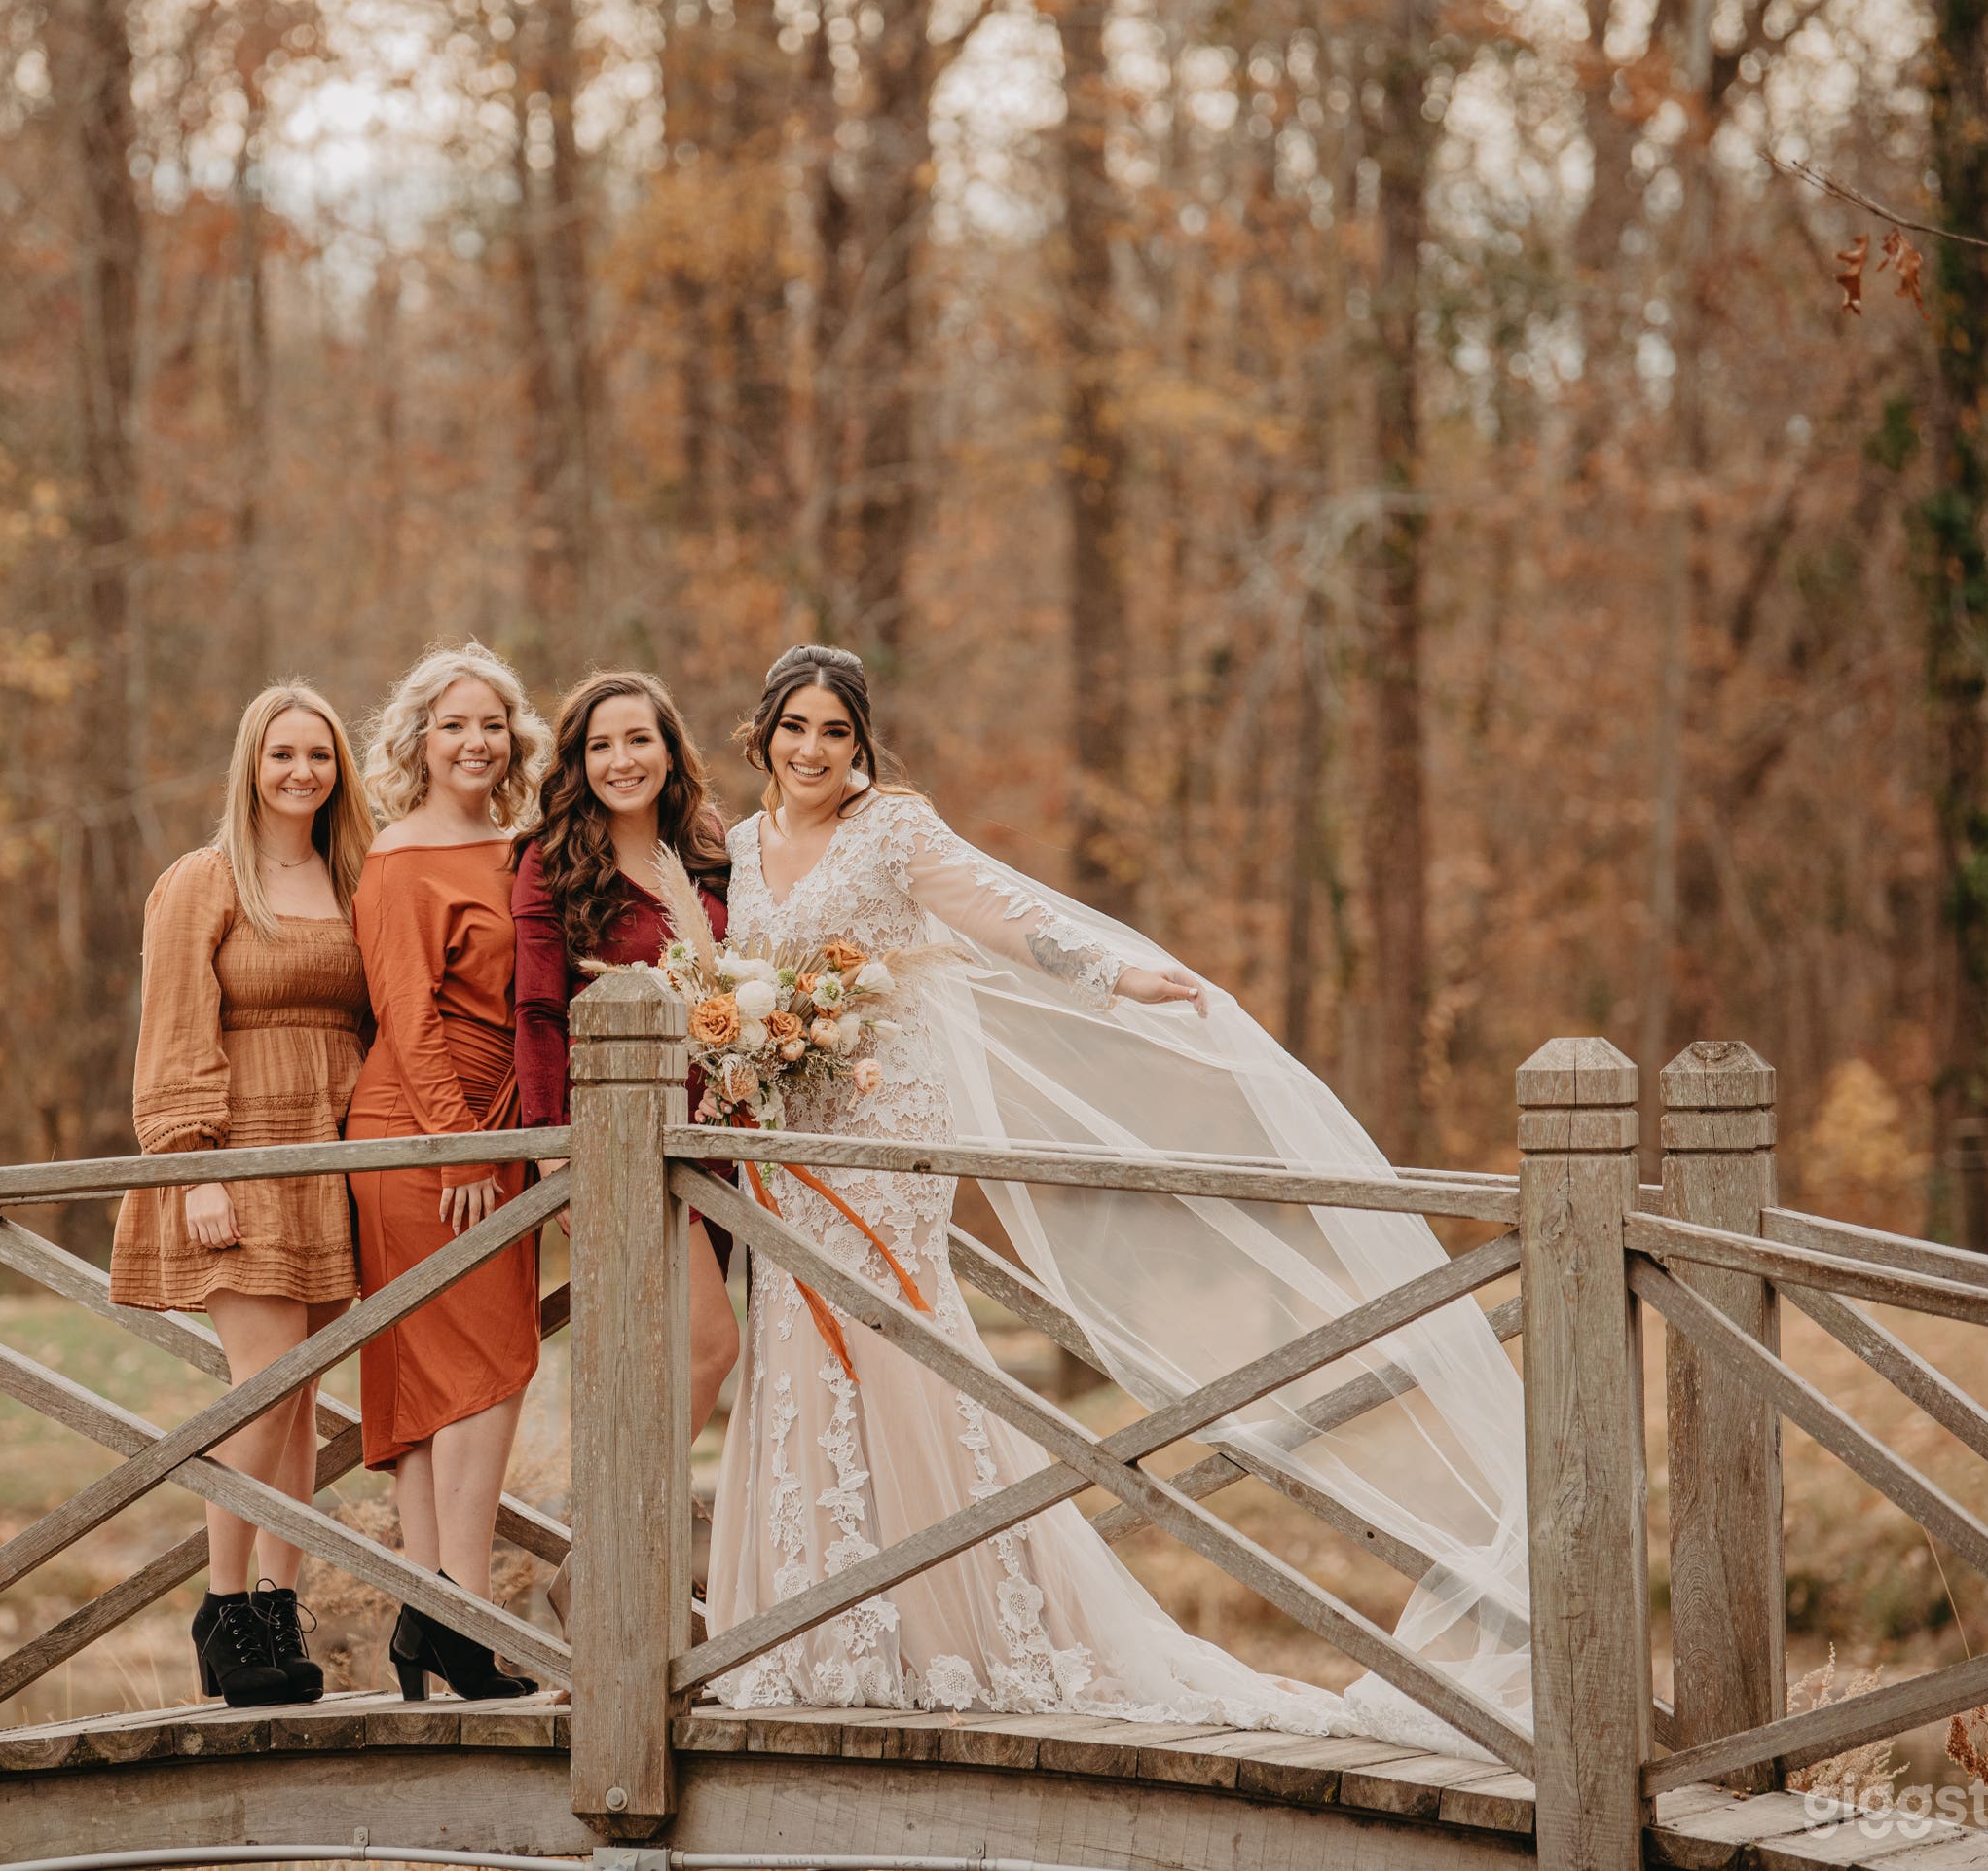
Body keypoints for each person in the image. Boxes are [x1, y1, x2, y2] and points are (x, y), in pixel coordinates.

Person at [703, 644, 1531, 1755]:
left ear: (862, 746)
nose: (812, 750)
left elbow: (1003, 918)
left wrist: (1115, 974)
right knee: (793, 1348)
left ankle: (955, 1624)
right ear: (762, 733)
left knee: (900, 1341)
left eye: (835, 732)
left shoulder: (896, 829)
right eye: (794, 728)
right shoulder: (738, 848)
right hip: (783, 1140)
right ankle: (811, 1628)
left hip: (883, 1129)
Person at [112, 683, 375, 1707]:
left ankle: (276, 1601)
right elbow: (175, 1025)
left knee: (299, 1400)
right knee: (259, 1391)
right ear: (250, 766)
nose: (301, 771)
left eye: (319, 754)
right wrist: (198, 1163)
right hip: (242, 1157)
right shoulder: (205, 879)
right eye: (282, 755)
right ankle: (221, 1609)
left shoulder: (351, 877)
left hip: (332, 1163)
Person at [346, 642, 554, 1700]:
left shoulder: (522, 849)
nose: (476, 743)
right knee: (483, 1370)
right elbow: (407, 1011)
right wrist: (458, 1142)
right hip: (422, 1135)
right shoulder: (398, 858)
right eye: (453, 725)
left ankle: (430, 1614)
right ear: (419, 740)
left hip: (502, 1136)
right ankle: (462, 1616)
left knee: (455, 1378)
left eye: (492, 725)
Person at [511, 670, 741, 1442]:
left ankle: (625, 1557)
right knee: (711, 1347)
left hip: (715, 1141)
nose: (622, 760)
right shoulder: (551, 861)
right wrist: (554, 1158)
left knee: (658, 1356)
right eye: (600, 745)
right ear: (577, 762)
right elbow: (538, 1011)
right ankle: (618, 1553)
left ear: (670, 750)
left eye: (639, 739)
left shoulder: (709, 846)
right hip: (621, 1145)